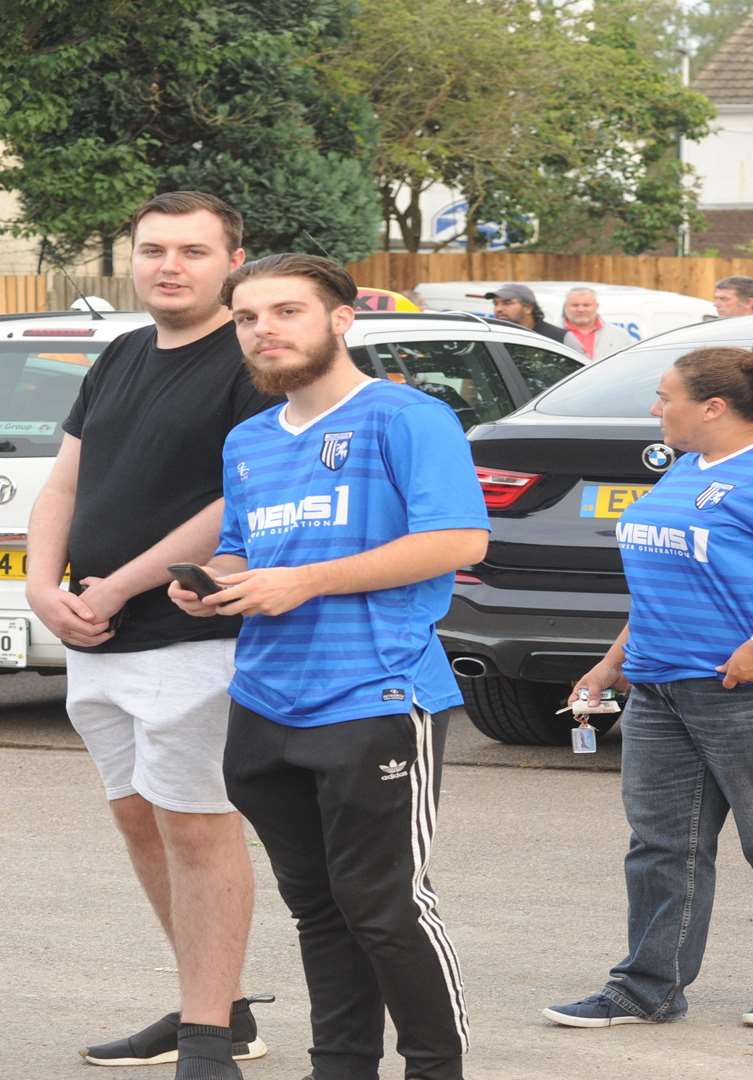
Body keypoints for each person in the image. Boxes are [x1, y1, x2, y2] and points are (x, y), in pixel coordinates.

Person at [171, 254, 490, 1079]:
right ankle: (340, 1065)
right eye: (247, 318)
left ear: (340, 320)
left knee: (385, 908)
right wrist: (217, 587)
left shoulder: (407, 417)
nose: (264, 331)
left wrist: (302, 581)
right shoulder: (248, 439)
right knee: (316, 908)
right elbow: (245, 548)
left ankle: (434, 1068)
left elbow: (458, 541)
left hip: (375, 693)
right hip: (266, 700)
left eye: (286, 312)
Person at [544, 338, 753, 1030]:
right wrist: (613, 662)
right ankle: (646, 986)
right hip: (662, 685)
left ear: (715, 407)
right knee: (662, 844)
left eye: (667, 396)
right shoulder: (691, 466)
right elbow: (672, 576)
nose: (657, 407)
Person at [26, 191, 278, 1077]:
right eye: (153, 249)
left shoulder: (249, 361)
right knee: (139, 820)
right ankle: (222, 1006)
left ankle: (207, 1037)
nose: (169, 266)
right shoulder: (122, 352)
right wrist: (41, 586)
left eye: (193, 251)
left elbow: (236, 503)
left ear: (233, 259)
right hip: (99, 636)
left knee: (197, 826)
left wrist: (120, 587)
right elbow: (65, 483)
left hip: (189, 632)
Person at [559, 287, 631, 361]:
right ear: (565, 306)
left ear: (596, 306)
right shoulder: (553, 335)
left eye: (586, 305)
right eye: (575, 305)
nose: (581, 309)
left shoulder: (619, 335)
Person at [483, 283, 567, 343]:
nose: (498, 309)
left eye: (507, 303)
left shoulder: (560, 338)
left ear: (528, 308)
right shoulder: (492, 337)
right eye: (495, 304)